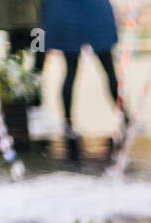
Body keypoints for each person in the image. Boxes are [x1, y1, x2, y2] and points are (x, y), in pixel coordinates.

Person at [40, 0, 122, 137]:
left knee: (71, 70)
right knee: (109, 69)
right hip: (93, 14)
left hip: (67, 17)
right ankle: (125, 119)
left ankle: (67, 124)